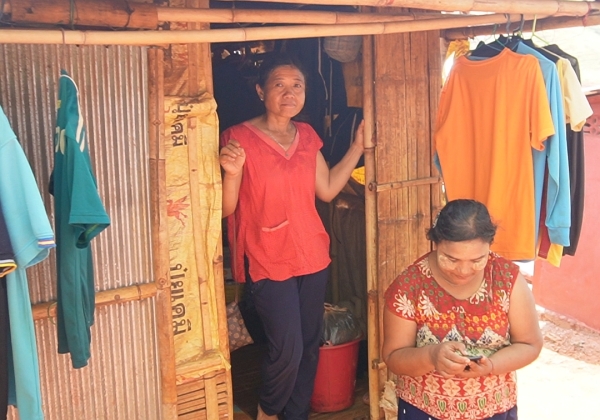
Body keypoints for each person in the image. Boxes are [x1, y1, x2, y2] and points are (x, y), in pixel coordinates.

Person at [219, 52, 365, 420]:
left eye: (297, 85)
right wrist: (232, 173)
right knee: (287, 348)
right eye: (279, 85)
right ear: (260, 91)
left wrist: (358, 148)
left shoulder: (307, 136)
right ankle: (268, 412)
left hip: (311, 252)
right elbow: (225, 208)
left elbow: (327, 189)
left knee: (310, 346)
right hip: (266, 256)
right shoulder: (238, 138)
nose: (289, 93)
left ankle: (295, 415)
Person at [382, 199, 543, 420]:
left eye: (477, 259)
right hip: (423, 411)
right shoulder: (410, 286)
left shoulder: (507, 280)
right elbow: (393, 356)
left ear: (490, 246)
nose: (464, 270)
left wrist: (491, 366)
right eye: (451, 259)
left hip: (494, 410)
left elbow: (530, 344)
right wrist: (431, 356)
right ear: (436, 243)